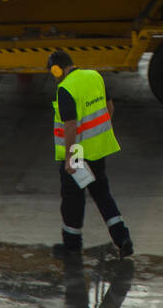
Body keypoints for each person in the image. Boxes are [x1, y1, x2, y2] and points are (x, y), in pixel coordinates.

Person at [48, 49, 133, 260]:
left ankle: (72, 246)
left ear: (57, 69)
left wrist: (69, 157)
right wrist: (99, 132)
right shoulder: (95, 76)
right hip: (97, 150)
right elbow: (109, 107)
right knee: (102, 194)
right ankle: (123, 239)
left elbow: (70, 126)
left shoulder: (65, 88)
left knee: (72, 200)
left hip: (77, 154)